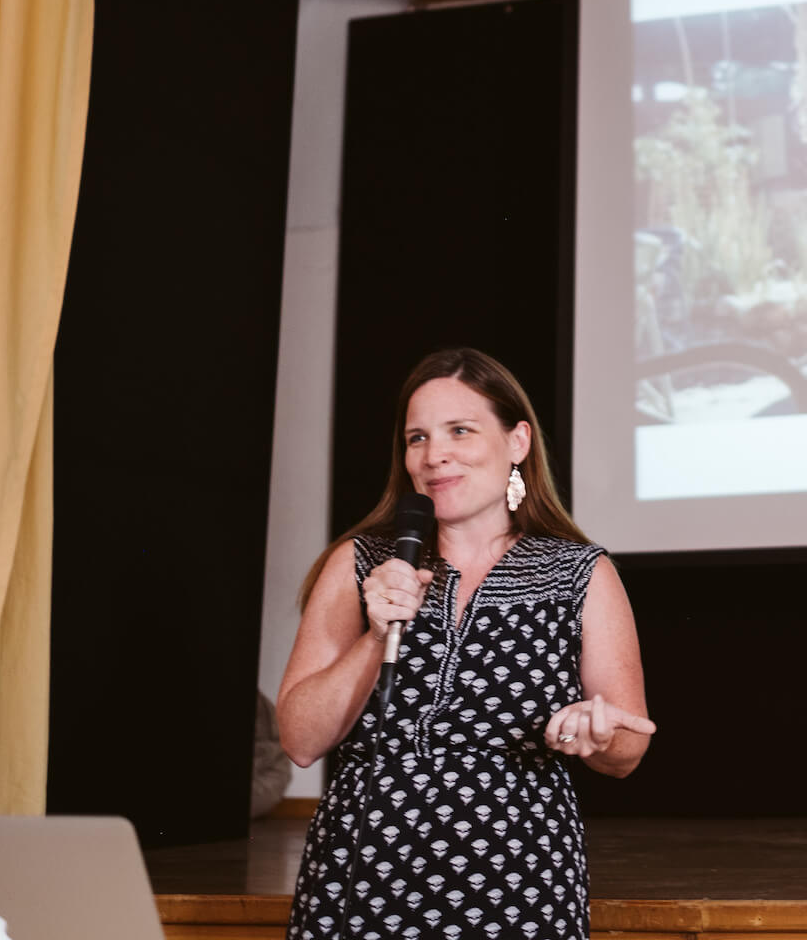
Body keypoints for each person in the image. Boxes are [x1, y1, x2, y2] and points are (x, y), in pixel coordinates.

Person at [278, 347, 654, 940]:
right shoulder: (361, 563)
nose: (435, 455)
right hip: (360, 875)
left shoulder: (579, 572)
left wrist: (595, 731)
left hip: (515, 880)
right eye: (418, 438)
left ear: (518, 442)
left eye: (460, 430)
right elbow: (299, 742)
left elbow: (628, 747)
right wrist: (375, 637)